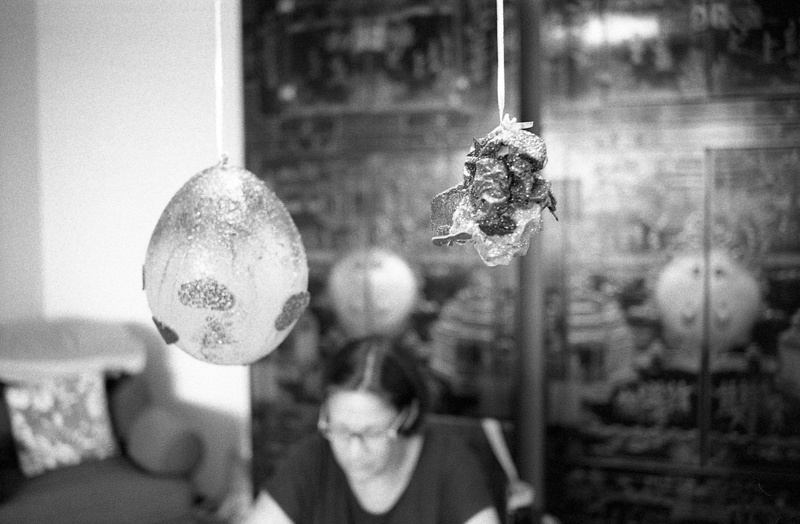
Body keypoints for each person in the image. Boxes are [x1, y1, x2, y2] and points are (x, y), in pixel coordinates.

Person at [242, 335, 502, 524]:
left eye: (373, 433)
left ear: (408, 415)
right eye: (340, 429)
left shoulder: (449, 465)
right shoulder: (312, 460)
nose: (354, 452)